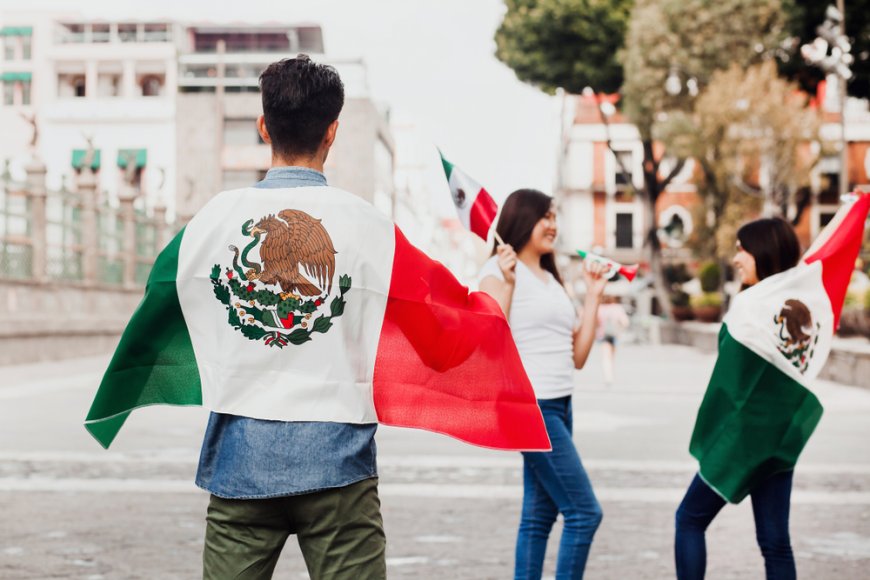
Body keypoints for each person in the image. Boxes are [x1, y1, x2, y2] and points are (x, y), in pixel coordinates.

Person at [196, 55, 386, 580]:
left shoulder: (211, 222)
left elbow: (163, 304)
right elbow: (431, 317)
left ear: (263, 126)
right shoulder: (373, 228)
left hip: (240, 460)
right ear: (333, 132)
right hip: (338, 463)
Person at [478, 189, 610, 580]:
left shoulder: (553, 280)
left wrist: (593, 296)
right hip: (529, 405)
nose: (552, 225)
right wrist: (508, 282)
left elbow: (579, 357)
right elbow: (489, 343)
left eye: (555, 217)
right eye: (544, 217)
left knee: (538, 516)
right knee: (585, 513)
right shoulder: (496, 271)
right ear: (521, 220)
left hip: (560, 404)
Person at [674, 217, 802, 580]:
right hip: (779, 438)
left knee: (689, 519)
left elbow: (730, 383)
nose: (736, 258)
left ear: (765, 251)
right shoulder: (797, 308)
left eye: (743, 249)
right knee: (776, 541)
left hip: (743, 440)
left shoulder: (751, 306)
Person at [595, 295, 630, 386]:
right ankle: (610, 374)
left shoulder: (599, 308)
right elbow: (625, 322)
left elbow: (596, 322)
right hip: (614, 334)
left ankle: (608, 377)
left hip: (603, 335)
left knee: (606, 357)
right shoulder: (617, 308)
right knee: (612, 356)